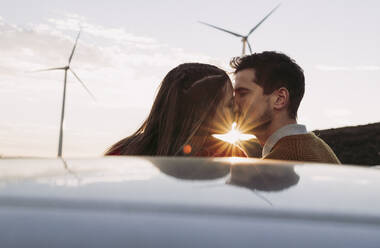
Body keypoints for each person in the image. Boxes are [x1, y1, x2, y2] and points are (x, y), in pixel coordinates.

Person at [106, 63, 246, 157]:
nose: (236, 109)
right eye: (229, 104)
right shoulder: (231, 157)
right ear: (203, 112)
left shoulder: (122, 152)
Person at [231, 51, 340, 164]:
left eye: (243, 93)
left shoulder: (279, 166)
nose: (232, 103)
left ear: (279, 99)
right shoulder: (318, 148)